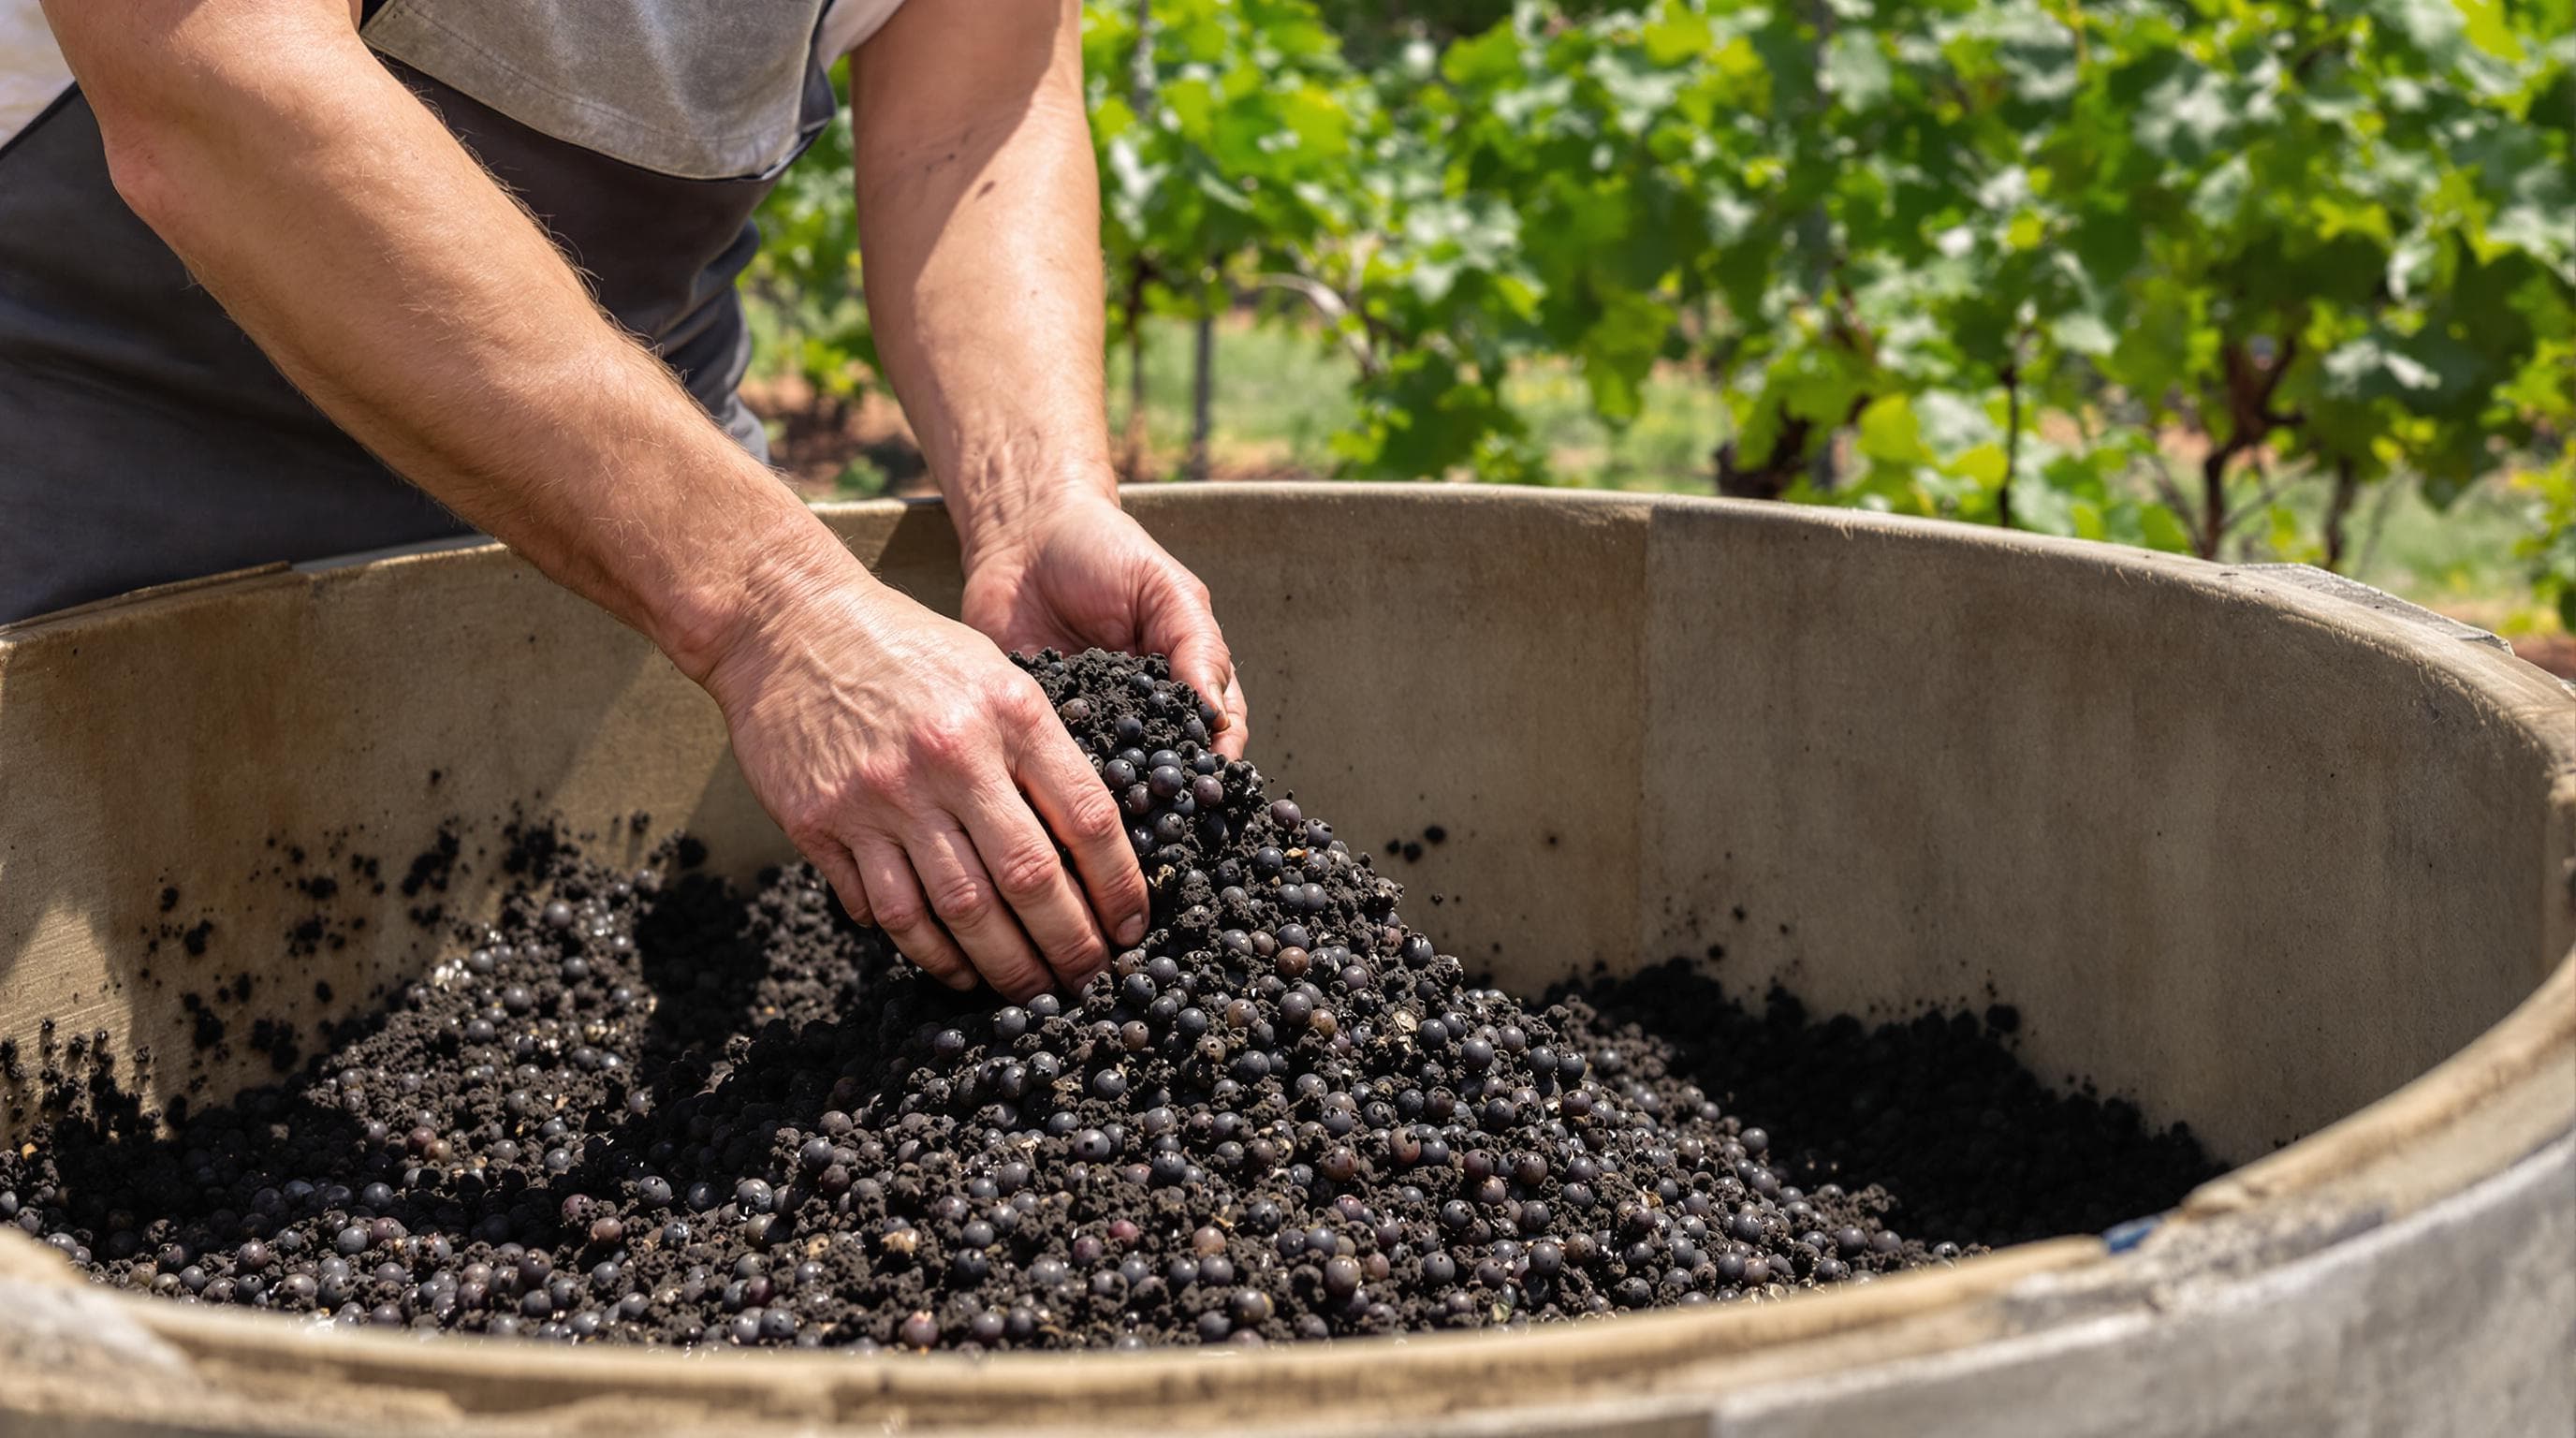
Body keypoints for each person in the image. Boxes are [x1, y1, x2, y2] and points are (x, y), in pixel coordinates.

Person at [2, 0, 1248, 1003]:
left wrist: (1034, 495)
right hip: (97, 438)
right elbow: (215, 80)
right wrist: (778, 609)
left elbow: (971, 113)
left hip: (634, 481)